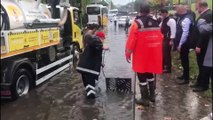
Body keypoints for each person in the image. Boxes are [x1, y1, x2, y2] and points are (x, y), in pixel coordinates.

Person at [125, 3, 163, 106]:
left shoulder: (137, 23)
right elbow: (161, 37)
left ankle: (144, 99)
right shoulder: (155, 22)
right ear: (149, 10)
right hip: (153, 53)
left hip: (141, 55)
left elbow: (131, 40)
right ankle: (152, 95)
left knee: (141, 75)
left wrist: (128, 53)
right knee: (150, 73)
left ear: (140, 11)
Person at [76, 24, 103, 99]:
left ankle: (86, 103)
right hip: (89, 69)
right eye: (103, 38)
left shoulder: (90, 42)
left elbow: (94, 56)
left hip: (82, 67)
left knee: (87, 86)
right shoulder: (96, 42)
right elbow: (96, 57)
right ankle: (91, 104)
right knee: (91, 89)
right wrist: (102, 46)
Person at [191, 1, 212, 92]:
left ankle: (204, 85)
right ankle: (199, 81)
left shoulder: (208, 15)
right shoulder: (205, 14)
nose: (196, 9)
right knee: (200, 64)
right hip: (202, 45)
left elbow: (204, 33)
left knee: (203, 65)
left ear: (202, 7)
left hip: (204, 46)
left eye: (197, 7)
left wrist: (199, 45)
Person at [174, 5, 194, 85]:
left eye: (178, 11)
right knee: (183, 60)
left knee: (185, 60)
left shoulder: (186, 18)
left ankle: (186, 79)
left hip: (185, 43)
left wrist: (180, 44)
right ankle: (184, 75)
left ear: (181, 11)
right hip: (182, 42)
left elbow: (185, 33)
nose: (177, 13)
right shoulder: (183, 17)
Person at [160, 8, 176, 73]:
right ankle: (163, 66)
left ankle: (168, 68)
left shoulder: (171, 20)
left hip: (168, 39)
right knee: (163, 53)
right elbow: (160, 27)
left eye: (162, 13)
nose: (161, 15)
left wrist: (171, 40)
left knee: (167, 54)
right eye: (161, 14)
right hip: (164, 39)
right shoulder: (164, 20)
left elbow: (173, 30)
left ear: (166, 13)